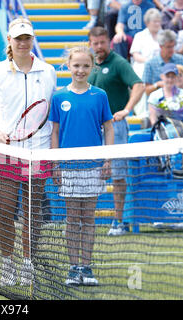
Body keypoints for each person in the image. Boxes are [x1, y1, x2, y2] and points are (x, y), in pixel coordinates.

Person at [0, 17, 57, 286]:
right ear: (10, 42)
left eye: (27, 38)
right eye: (18, 38)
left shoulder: (48, 71)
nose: (23, 43)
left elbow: (51, 110)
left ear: (32, 40)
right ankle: (7, 264)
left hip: (39, 149)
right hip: (7, 150)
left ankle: (28, 263)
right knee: (5, 210)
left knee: (32, 210)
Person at [50, 46, 114, 286]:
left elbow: (108, 127)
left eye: (85, 66)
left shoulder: (100, 95)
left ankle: (86, 267)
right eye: (76, 65)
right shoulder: (58, 97)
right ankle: (73, 267)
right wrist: (55, 164)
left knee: (88, 218)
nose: (80, 70)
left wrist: (107, 159)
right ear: (68, 66)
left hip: (93, 167)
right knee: (72, 217)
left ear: (92, 67)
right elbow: (55, 132)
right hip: (68, 167)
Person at [88, 27, 145, 236]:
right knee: (91, 174)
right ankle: (87, 221)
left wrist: (127, 110)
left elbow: (138, 85)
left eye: (103, 42)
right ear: (90, 44)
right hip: (93, 128)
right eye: (95, 43)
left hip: (116, 126)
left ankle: (119, 222)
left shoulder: (119, 62)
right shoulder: (90, 65)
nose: (100, 47)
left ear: (109, 42)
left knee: (119, 175)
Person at [130, 8, 162, 117]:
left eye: (159, 21)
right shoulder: (140, 36)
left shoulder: (164, 35)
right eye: (155, 21)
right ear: (147, 22)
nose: (157, 24)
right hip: (143, 64)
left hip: (161, 65)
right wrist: (149, 62)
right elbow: (135, 55)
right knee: (142, 74)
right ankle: (142, 112)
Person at [143, 29, 183, 96]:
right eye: (168, 47)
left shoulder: (181, 60)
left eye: (173, 46)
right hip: (158, 102)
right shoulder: (150, 64)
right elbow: (146, 91)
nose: (172, 50)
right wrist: (158, 85)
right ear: (161, 46)